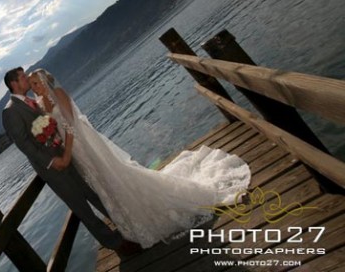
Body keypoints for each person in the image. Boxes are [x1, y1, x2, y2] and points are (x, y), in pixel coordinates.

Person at [27, 68, 251, 249]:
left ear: (45, 81)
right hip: (75, 152)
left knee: (113, 176)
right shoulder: (43, 103)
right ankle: (130, 220)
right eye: (32, 85)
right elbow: (54, 126)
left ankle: (150, 211)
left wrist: (66, 152)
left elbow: (70, 125)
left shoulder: (60, 95)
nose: (33, 88)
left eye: (35, 83)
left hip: (84, 147)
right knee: (102, 184)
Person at [2, 67, 141, 255]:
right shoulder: (10, 111)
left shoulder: (34, 102)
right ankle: (117, 244)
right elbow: (24, 144)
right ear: (14, 83)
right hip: (53, 168)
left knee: (92, 194)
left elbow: (53, 125)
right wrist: (52, 161)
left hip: (68, 156)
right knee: (81, 208)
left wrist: (65, 153)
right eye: (23, 78)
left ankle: (126, 226)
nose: (27, 79)